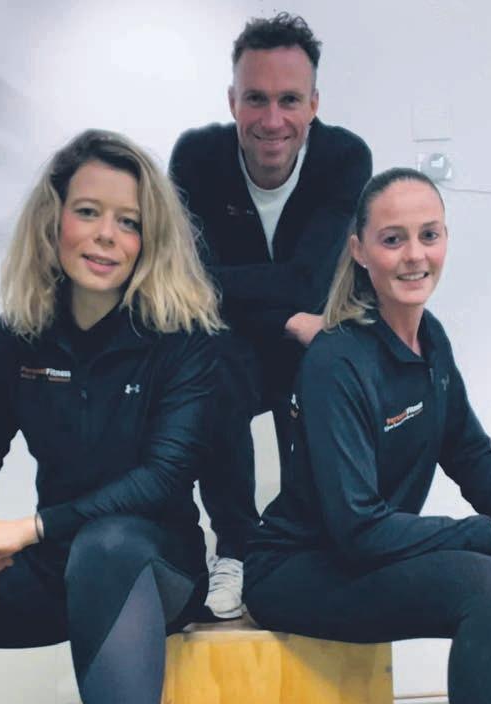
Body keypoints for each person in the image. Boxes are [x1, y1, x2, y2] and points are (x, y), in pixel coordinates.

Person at [244, 167, 491, 704]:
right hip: (297, 570)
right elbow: (358, 528)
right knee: (489, 589)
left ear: (445, 240)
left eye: (429, 235)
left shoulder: (429, 340)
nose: (414, 255)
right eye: (393, 239)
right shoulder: (336, 360)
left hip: (365, 556)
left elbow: (472, 456)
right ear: (360, 251)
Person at [0, 129, 223, 704]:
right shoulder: (19, 333)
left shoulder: (183, 337)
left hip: (151, 570)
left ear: (148, 239)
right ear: (54, 221)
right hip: (55, 569)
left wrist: (29, 527)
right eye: (88, 212)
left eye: (128, 221)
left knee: (106, 546)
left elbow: (161, 479)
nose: (107, 235)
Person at [169, 12, 372, 619]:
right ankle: (234, 547)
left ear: (314, 104)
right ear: (233, 101)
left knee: (329, 363)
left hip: (315, 340)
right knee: (211, 362)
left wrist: (242, 291)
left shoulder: (345, 157)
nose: (272, 119)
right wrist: (285, 313)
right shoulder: (196, 157)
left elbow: (311, 280)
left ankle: (305, 548)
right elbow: (189, 282)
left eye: (289, 100)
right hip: (239, 345)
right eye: (256, 99)